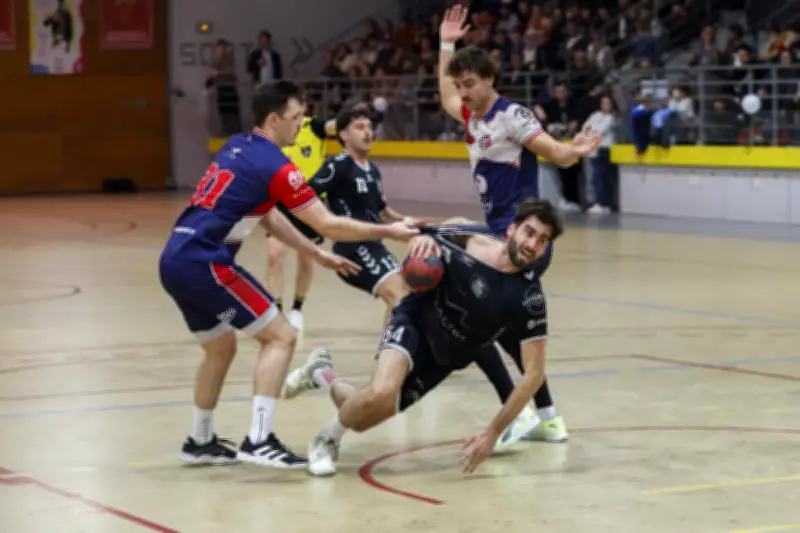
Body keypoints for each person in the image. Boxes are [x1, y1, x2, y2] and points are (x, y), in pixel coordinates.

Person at [158, 80, 418, 469]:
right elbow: (328, 223)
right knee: (281, 336)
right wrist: (389, 231)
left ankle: (200, 440)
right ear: (274, 120)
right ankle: (259, 440)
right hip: (206, 262)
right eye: (296, 117)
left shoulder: (238, 145)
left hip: (175, 258)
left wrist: (314, 252)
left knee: (221, 347)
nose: (301, 124)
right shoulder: (275, 164)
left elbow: (268, 214)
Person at [284, 198, 564, 476]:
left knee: (361, 416)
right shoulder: (476, 239)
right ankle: (326, 439)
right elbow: (444, 227)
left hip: (442, 361)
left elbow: (534, 374)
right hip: (414, 319)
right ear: (512, 229)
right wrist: (426, 239)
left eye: (542, 240)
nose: (532, 244)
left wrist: (493, 432)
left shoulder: (529, 299)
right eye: (529, 232)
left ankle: (320, 372)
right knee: (382, 391)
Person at [436, 5, 602, 443]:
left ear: (490, 79)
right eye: (460, 84)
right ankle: (547, 417)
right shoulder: (471, 115)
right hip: (498, 238)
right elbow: (446, 94)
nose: (463, 92)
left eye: (470, 83)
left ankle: (517, 414)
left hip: (521, 240)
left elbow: (554, 152)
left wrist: (574, 150)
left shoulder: (512, 116)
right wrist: (446, 44)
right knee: (508, 329)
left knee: (466, 320)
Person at [265, 111, 336, 342]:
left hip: (309, 202)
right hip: (279, 202)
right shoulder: (274, 129)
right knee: (274, 255)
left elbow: (335, 126)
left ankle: (296, 309)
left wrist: (354, 118)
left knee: (306, 258)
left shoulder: (314, 127)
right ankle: (276, 312)